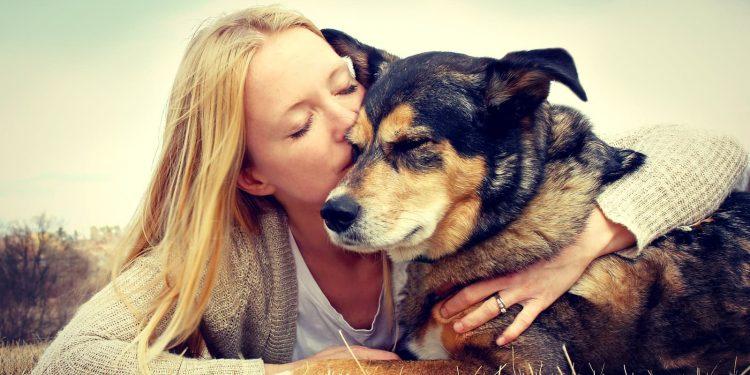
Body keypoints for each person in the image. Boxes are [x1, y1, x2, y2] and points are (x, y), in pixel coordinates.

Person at [33, 6, 748, 375]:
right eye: (300, 124)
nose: (351, 125)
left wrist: (592, 236)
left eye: (345, 87)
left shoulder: (440, 203)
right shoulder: (232, 259)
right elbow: (69, 362)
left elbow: (709, 151)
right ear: (253, 173)